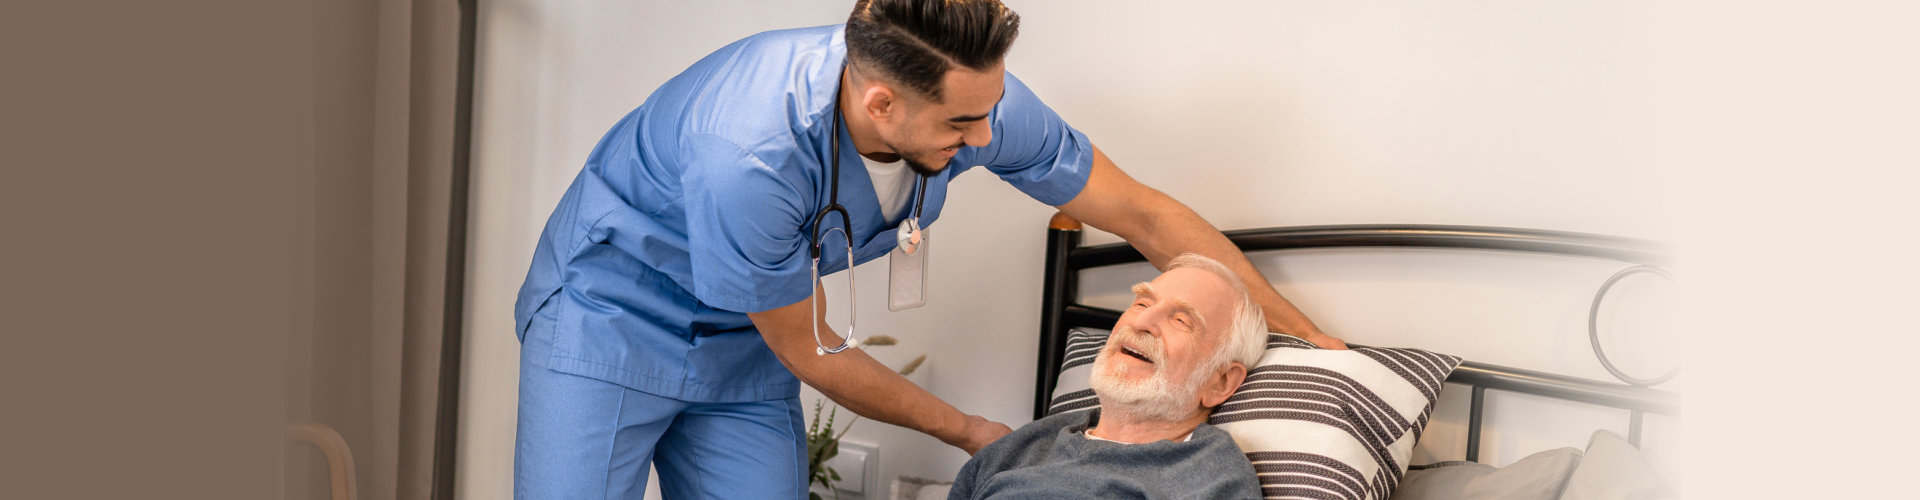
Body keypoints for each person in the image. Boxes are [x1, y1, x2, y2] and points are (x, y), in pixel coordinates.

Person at [512, 0, 1344, 497]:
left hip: (752, 348)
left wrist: (1310, 335)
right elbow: (810, 346)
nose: (988, 138)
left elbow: (1139, 212)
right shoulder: (750, 156)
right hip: (612, 324)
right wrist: (974, 431)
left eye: (991, 111)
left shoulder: (975, 99)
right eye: (961, 125)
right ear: (882, 106)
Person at [948, 253, 1267, 499]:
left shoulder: (1213, 476)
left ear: (1220, 382)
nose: (1142, 320)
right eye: (1142, 302)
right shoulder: (1021, 447)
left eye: (1182, 320)